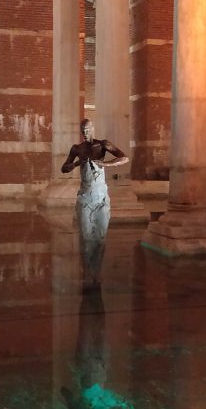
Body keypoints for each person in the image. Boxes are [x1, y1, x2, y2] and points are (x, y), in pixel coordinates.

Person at [60, 119, 128, 286]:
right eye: (82, 130)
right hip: (85, 197)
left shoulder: (102, 144)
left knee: (100, 238)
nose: (85, 133)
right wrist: (75, 164)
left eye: (87, 129)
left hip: (101, 197)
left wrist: (104, 163)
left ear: (92, 128)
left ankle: (96, 271)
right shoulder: (77, 148)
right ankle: (87, 271)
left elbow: (124, 158)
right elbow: (64, 168)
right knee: (85, 238)